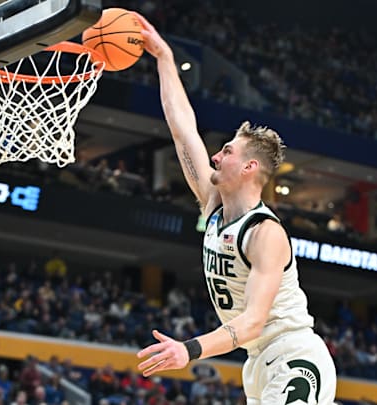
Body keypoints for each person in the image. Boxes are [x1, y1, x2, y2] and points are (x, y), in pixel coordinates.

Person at [134, 14, 337, 404]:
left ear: (249, 167)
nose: (214, 155)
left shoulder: (265, 233)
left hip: (294, 356)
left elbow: (253, 321)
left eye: (226, 151)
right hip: (256, 363)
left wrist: (188, 350)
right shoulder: (213, 205)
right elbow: (182, 129)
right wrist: (163, 57)